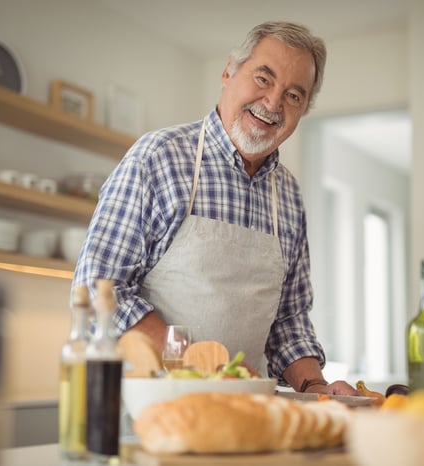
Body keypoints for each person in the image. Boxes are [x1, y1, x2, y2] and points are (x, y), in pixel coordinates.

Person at [73, 21, 359, 396]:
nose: (273, 103)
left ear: (304, 109)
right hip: (145, 410)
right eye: (263, 78)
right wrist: (194, 361)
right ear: (229, 72)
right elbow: (100, 292)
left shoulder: (287, 194)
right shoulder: (158, 158)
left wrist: (316, 386)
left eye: (293, 95)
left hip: (245, 412)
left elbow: (288, 321)